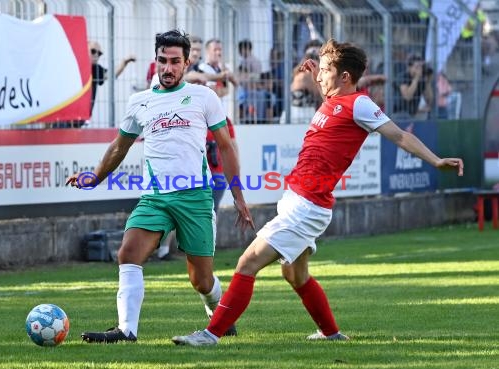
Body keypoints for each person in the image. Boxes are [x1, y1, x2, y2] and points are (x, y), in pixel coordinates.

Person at [171, 38, 464, 346]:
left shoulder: (359, 104)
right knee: (295, 276)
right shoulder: (333, 98)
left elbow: (400, 135)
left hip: (307, 207)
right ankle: (331, 332)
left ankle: (210, 334)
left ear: (345, 77)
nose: (320, 76)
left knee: (246, 263)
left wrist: (436, 160)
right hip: (299, 201)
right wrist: (318, 72)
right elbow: (328, 91)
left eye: (326, 70)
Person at [66, 29, 255, 343]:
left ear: (185, 63)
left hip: (194, 196)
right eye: (162, 60)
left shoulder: (203, 97)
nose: (167, 67)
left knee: (201, 279)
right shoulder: (140, 102)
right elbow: (119, 147)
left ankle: (217, 311)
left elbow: (226, 147)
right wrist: (95, 177)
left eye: (174, 61)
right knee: (128, 253)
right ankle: (126, 329)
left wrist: (238, 196)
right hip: (154, 198)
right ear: (155, 61)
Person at [280, 39, 323, 124]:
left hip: (293, 113)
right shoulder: (306, 75)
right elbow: (321, 94)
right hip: (303, 116)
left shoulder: (298, 72)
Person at [392, 53, 434, 119]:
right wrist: (416, 79)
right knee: (406, 116)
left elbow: (429, 100)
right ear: (409, 68)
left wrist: (428, 82)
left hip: (413, 114)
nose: (419, 70)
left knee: (427, 116)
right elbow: (407, 96)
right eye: (417, 67)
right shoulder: (403, 77)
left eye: (421, 67)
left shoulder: (421, 80)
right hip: (399, 114)